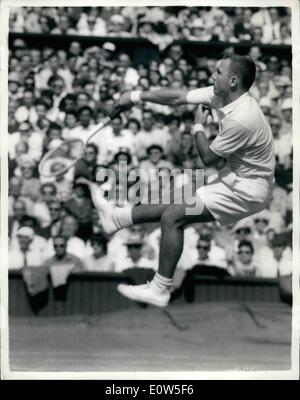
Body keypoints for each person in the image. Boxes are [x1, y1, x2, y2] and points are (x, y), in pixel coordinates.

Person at [79, 54, 275, 307]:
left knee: (173, 217)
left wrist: (197, 126)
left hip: (248, 190)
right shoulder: (223, 95)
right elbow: (178, 97)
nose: (212, 76)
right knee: (176, 203)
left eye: (218, 72)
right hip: (236, 177)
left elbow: (208, 158)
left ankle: (160, 289)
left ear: (233, 80)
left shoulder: (242, 118)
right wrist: (136, 96)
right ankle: (119, 218)